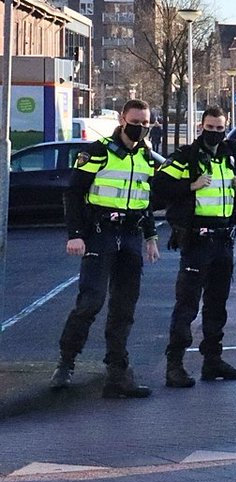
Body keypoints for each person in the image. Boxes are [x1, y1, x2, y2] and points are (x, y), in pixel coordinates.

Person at [50, 99, 161, 398]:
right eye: (135, 122)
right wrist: (75, 234)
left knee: (124, 308)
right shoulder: (98, 152)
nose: (140, 128)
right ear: (123, 119)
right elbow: (74, 194)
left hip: (131, 236)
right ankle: (66, 363)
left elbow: (145, 200)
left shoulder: (146, 157)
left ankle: (117, 374)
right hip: (101, 233)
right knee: (91, 301)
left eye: (145, 123)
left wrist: (151, 237)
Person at [152, 106, 236, 387]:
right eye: (210, 127)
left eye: (220, 128)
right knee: (187, 304)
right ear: (201, 126)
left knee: (217, 304)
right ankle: (174, 365)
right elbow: (158, 186)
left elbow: (224, 194)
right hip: (197, 241)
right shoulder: (186, 157)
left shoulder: (228, 156)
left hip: (223, 239)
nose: (215, 133)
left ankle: (212, 360)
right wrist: (190, 186)